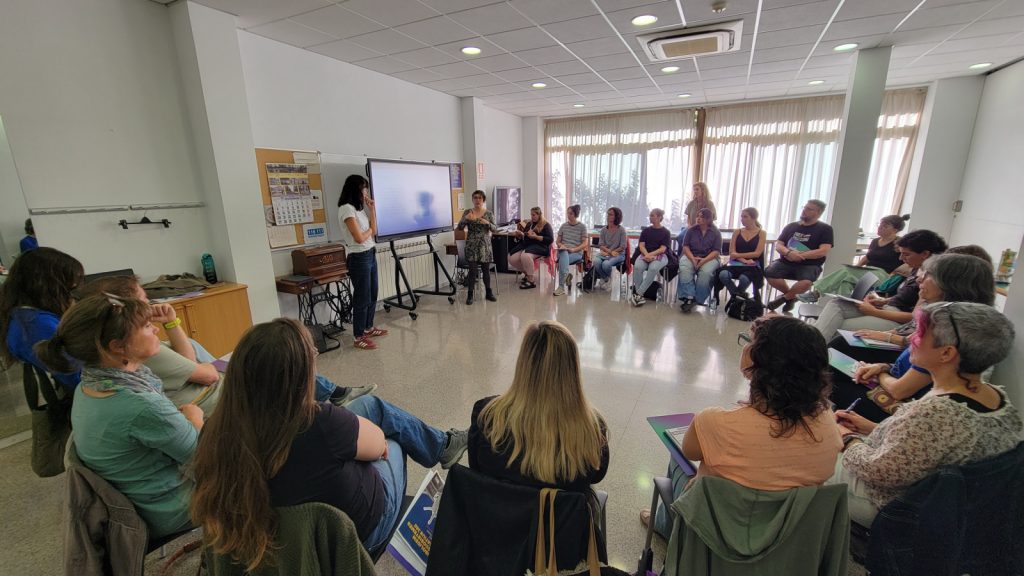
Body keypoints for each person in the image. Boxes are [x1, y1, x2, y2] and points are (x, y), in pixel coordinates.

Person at [189, 319, 469, 564]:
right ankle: (441, 447)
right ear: (300, 374)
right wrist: (368, 444)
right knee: (393, 440)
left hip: (274, 547)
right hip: (355, 541)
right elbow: (377, 443)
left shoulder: (215, 430)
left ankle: (442, 445)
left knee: (370, 405)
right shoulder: (318, 422)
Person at [644, 316, 842, 538]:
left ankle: (665, 526)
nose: (745, 345)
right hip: (785, 537)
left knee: (679, 457)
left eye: (750, 340)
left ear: (759, 360)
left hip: (717, 534)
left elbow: (690, 451)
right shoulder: (829, 426)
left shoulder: (714, 422)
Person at [831, 302, 1022, 527]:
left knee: (806, 450)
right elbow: (926, 448)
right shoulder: (997, 398)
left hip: (895, 507)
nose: (911, 338)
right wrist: (871, 427)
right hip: (942, 504)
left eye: (920, 334)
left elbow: (878, 472)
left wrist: (847, 438)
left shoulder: (937, 413)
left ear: (946, 353)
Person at [36, 294, 201, 538]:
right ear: (117, 346)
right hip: (170, 508)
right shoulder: (141, 406)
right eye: (147, 326)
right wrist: (195, 419)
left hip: (134, 500)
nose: (155, 329)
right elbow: (204, 458)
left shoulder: (89, 386)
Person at [77, 275, 375, 409]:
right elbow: (204, 372)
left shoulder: (137, 352)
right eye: (143, 303)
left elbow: (189, 357)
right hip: (222, 392)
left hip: (217, 383)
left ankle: (332, 396)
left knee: (274, 356)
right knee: (279, 358)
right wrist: (210, 366)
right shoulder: (147, 353)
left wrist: (171, 322)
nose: (150, 307)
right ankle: (325, 404)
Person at [829, 253, 997, 423]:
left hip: (900, 406)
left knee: (828, 380)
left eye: (928, 274)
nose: (920, 279)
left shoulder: (946, 333)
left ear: (950, 284)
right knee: (835, 358)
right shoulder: (945, 322)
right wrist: (882, 366)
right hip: (897, 384)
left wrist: (879, 372)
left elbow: (900, 391)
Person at [469, 321, 608, 491]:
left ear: (523, 363)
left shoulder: (487, 416)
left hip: (495, 508)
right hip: (562, 509)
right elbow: (597, 475)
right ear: (572, 369)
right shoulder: (592, 428)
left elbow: (476, 470)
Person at [811, 229, 948, 342]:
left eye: (906, 254)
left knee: (834, 326)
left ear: (925, 254)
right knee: (835, 304)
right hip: (889, 309)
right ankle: (812, 345)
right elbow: (906, 297)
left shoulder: (932, 279)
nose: (901, 259)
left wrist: (874, 312)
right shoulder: (917, 268)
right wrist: (884, 301)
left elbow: (914, 318)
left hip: (898, 320)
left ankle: (812, 349)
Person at [0, 247, 84, 391]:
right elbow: (78, 378)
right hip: (84, 387)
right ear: (49, 286)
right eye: (68, 289)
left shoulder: (25, 314)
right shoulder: (35, 325)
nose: (70, 295)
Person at [805, 214, 910, 301]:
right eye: (880, 224)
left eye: (885, 226)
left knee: (847, 271)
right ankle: (842, 305)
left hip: (884, 275)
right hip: (868, 271)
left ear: (895, 230)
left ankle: (817, 293)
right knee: (845, 281)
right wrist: (856, 268)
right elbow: (867, 258)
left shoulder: (899, 243)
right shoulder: (875, 241)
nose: (880, 227)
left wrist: (893, 275)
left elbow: (907, 263)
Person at [337, 174, 388, 351]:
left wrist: (371, 209)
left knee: (373, 293)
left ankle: (368, 328)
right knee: (362, 297)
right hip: (359, 257)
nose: (366, 192)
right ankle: (358, 336)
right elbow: (359, 238)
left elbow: (374, 229)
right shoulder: (346, 209)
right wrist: (371, 231)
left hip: (370, 253)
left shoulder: (358, 209)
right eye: (363, 188)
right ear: (355, 190)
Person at [765, 199, 834, 312]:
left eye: (809, 209)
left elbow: (823, 251)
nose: (804, 210)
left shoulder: (825, 229)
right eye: (804, 207)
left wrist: (800, 255)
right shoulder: (791, 226)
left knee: (806, 282)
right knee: (769, 272)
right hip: (785, 261)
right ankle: (790, 297)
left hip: (809, 264)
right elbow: (779, 244)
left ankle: (783, 299)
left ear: (818, 212)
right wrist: (789, 253)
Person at [676, 208, 722, 313]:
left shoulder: (716, 232)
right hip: (691, 255)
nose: (698, 218)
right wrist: (693, 259)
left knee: (706, 273)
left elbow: (716, 251)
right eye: (698, 216)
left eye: (701, 217)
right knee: (684, 269)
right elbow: (685, 247)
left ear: (708, 219)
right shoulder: (691, 230)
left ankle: (697, 299)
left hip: (709, 257)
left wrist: (703, 260)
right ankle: (689, 296)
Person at [457, 190, 497, 305]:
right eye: (475, 197)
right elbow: (460, 228)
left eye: (480, 198)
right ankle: (470, 295)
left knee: (486, 270)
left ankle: (488, 292)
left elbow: (495, 229)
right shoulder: (468, 212)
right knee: (472, 271)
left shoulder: (488, 213)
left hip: (484, 246)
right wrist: (466, 219)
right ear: (472, 200)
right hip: (471, 245)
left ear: (483, 200)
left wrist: (486, 223)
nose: (477, 200)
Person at [717, 207, 766, 300]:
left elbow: (757, 253)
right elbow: (732, 252)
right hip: (736, 262)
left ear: (754, 218)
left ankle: (735, 298)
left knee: (744, 279)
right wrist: (744, 260)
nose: (742, 219)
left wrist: (738, 256)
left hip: (752, 264)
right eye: (741, 217)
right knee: (723, 274)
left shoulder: (761, 233)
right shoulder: (737, 232)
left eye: (745, 217)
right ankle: (738, 297)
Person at [631, 208, 672, 307]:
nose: (650, 217)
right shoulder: (646, 231)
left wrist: (650, 255)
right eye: (650, 215)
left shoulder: (666, 232)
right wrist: (647, 255)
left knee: (653, 268)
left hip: (660, 255)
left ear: (659, 217)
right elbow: (641, 246)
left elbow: (662, 249)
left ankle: (638, 294)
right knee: (637, 267)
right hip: (645, 254)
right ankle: (640, 296)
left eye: (652, 215)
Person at [508, 206, 553, 290]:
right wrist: (521, 235)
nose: (532, 217)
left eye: (534, 215)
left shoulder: (546, 225)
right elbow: (526, 236)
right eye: (531, 215)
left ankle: (531, 280)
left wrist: (536, 237)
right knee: (512, 258)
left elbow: (550, 239)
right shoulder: (529, 224)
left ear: (539, 215)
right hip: (528, 245)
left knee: (525, 256)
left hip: (541, 246)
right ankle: (527, 273)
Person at [554, 204, 588, 297]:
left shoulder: (582, 227)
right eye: (567, 213)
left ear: (576, 214)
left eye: (571, 213)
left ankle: (561, 286)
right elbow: (557, 241)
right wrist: (561, 245)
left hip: (576, 253)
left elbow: (585, 243)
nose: (568, 215)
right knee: (563, 253)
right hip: (563, 251)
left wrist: (574, 249)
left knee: (562, 259)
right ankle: (566, 278)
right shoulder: (563, 226)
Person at [592, 207, 627, 290]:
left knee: (606, 264)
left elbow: (623, 246)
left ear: (616, 216)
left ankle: (605, 279)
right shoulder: (603, 229)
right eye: (608, 214)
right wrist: (609, 252)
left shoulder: (621, 230)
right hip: (607, 253)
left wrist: (610, 252)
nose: (608, 216)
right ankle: (606, 278)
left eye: (610, 214)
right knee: (596, 262)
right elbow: (600, 245)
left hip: (619, 254)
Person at [676, 182, 717, 249]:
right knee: (681, 237)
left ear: (703, 190)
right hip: (692, 227)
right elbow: (689, 217)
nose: (695, 191)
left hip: (705, 228)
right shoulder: (691, 203)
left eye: (697, 189)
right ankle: (681, 255)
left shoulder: (710, 204)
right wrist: (690, 226)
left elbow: (712, 218)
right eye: (694, 190)